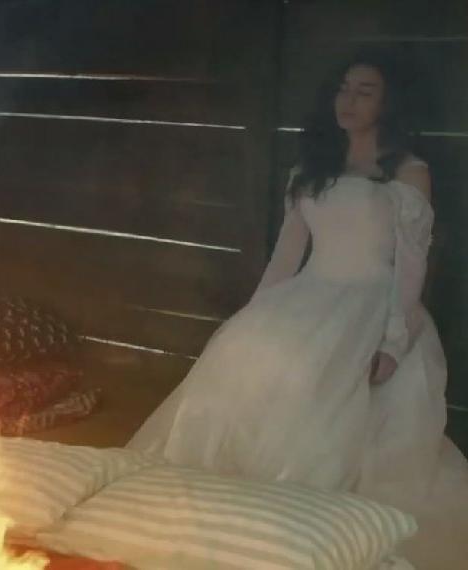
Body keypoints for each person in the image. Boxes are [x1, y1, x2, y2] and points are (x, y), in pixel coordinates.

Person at [126, 48, 468, 567]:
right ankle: (228, 518)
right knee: (249, 360)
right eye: (344, 88)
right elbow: (287, 255)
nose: (349, 100)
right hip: (310, 292)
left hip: (370, 301)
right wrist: (254, 317)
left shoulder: (408, 172)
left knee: (325, 395)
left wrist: (394, 342)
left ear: (388, 102)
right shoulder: (312, 168)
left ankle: (308, 528)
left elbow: (410, 267)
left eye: (365, 91)